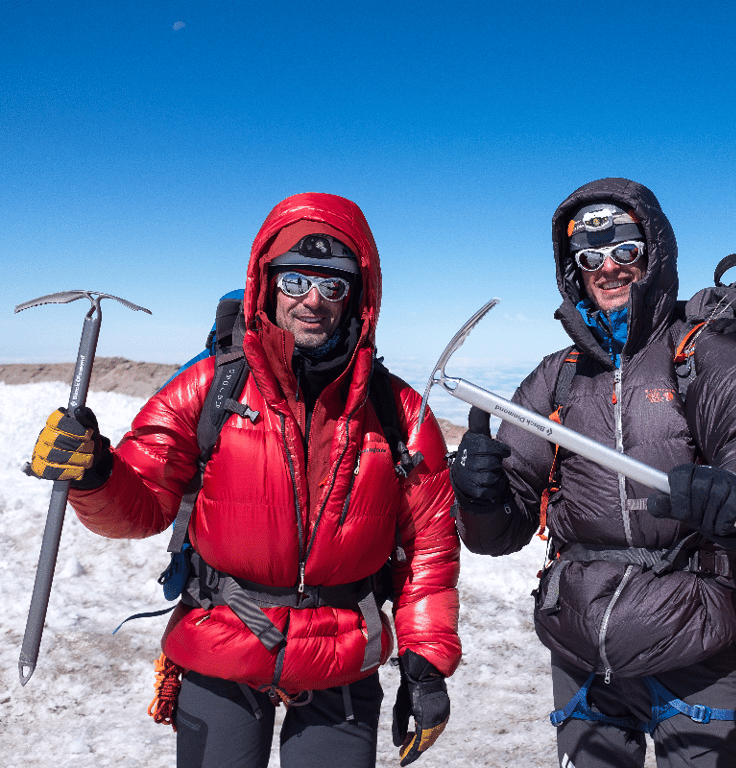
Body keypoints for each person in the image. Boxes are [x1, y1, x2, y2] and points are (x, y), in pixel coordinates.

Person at [27, 192, 461, 768]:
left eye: (333, 285)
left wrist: (426, 665)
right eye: (295, 281)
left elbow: (429, 545)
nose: (313, 301)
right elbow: (142, 506)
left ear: (360, 295)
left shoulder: (398, 411)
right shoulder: (209, 390)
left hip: (342, 660)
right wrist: (97, 474)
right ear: (266, 282)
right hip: (221, 645)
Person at [448, 177, 736, 768]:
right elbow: (500, 532)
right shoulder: (554, 378)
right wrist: (482, 499)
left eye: (624, 251)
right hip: (580, 645)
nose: (607, 268)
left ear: (653, 254)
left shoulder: (704, 351)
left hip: (692, 634)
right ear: (572, 269)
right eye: (589, 257)